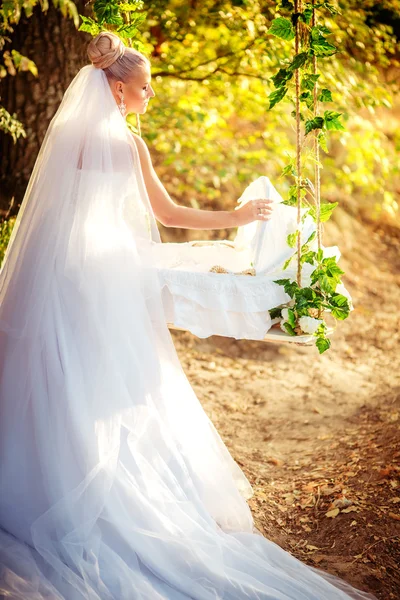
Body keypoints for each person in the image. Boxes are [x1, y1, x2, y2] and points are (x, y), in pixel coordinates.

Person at [0, 31, 374, 600]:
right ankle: (95, 479)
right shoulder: (126, 146)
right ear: (118, 88)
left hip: (59, 270)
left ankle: (34, 472)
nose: (150, 96)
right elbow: (169, 214)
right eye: (145, 87)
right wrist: (240, 214)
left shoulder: (66, 136)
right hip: (105, 275)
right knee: (115, 378)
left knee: (52, 367)